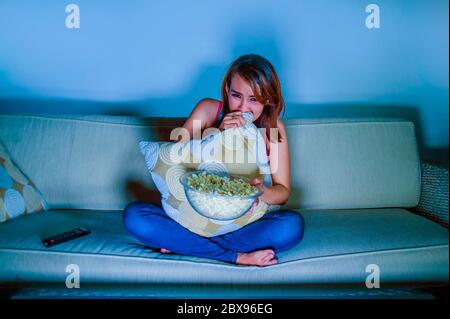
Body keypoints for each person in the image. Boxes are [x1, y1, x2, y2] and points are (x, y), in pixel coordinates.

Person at [123, 54, 305, 266]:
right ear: (227, 90)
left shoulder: (274, 130)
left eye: (254, 99)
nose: (243, 107)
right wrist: (217, 134)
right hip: (192, 216)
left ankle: (186, 245)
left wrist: (259, 192)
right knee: (135, 216)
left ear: (268, 99)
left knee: (292, 226)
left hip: (242, 223)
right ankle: (236, 256)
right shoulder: (208, 109)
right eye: (237, 95)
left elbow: (282, 192)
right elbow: (177, 158)